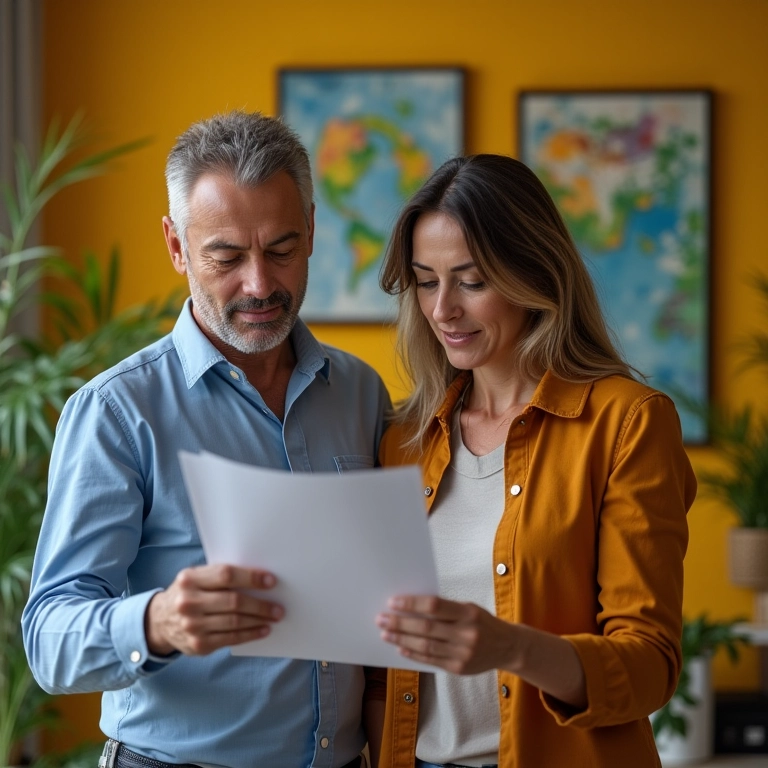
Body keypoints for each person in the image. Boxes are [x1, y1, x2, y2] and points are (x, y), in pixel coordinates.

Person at [22, 111, 390, 768]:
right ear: (176, 246)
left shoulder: (361, 393)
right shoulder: (116, 411)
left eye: (281, 249)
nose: (259, 284)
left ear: (311, 230)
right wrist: (158, 621)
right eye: (226, 256)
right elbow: (50, 642)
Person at [371, 154, 697, 768]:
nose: (443, 309)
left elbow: (650, 664)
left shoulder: (627, 423)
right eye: (426, 279)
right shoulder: (401, 439)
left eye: (471, 281)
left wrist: (511, 647)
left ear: (534, 276)